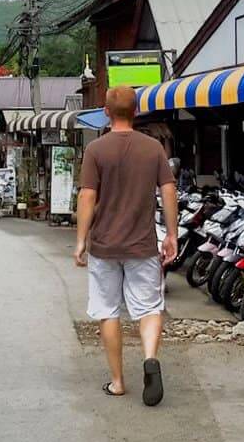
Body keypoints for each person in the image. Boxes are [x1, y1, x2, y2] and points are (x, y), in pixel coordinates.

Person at [75, 85, 178, 406]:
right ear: (136, 112)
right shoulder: (152, 149)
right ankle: (149, 357)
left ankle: (118, 382)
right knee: (148, 308)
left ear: (106, 112)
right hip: (143, 245)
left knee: (108, 312)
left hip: (105, 246)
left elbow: (87, 196)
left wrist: (80, 241)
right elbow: (169, 189)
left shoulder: (96, 150)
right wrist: (172, 234)